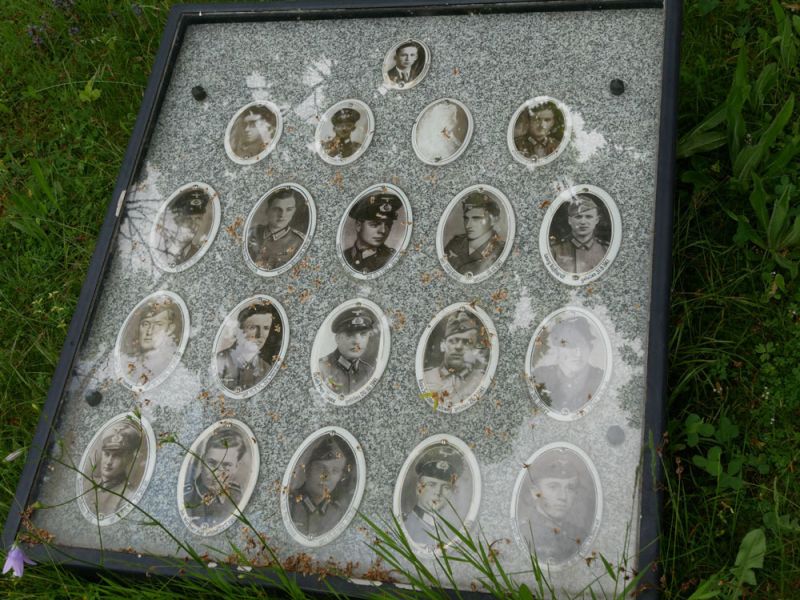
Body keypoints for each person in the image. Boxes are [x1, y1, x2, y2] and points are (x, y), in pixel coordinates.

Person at [519, 456, 584, 563]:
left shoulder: (580, 535)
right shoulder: (524, 532)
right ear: (535, 492)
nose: (563, 496)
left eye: (570, 488)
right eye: (553, 487)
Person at [532, 317, 604, 412]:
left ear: (590, 348)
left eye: (582, 345)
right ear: (557, 349)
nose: (578, 354)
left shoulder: (600, 379)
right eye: (570, 346)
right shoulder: (540, 376)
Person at [289, 436, 353, 537]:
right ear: (308, 469)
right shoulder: (290, 504)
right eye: (321, 467)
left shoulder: (336, 512)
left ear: (341, 477)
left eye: (335, 470)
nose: (326, 476)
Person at [183, 428, 248, 527]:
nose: (216, 472)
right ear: (203, 459)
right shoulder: (188, 497)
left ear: (236, 467)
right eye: (212, 463)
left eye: (226, 465)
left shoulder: (236, 494)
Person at [422, 310, 486, 407]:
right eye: (453, 341)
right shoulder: (426, 378)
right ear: (443, 345)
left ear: (475, 349)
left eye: (467, 342)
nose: (458, 347)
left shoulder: (481, 380)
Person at [403, 447, 462, 547]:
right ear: (419, 488)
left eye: (446, 487)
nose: (438, 493)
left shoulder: (450, 528)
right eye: (432, 485)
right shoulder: (406, 525)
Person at [216, 302, 276, 393]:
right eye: (252, 328)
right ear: (239, 329)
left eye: (266, 328)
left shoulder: (267, 368)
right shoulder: (221, 360)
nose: (259, 335)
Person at [87, 421, 143, 517]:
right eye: (107, 454)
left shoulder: (126, 495)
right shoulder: (89, 484)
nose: (109, 462)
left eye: (117, 456)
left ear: (129, 459)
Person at [443, 192, 505, 277]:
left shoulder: (501, 251)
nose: (468, 225)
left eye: (476, 218)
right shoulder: (455, 244)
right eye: (466, 218)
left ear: (494, 220)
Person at [122, 299, 181, 386]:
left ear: (170, 329)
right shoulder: (128, 364)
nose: (149, 331)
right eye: (145, 324)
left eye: (158, 324)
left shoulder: (165, 364)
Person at [317, 308, 377, 396]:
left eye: (363, 334)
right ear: (337, 338)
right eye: (350, 334)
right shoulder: (321, 368)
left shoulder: (369, 371)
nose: (357, 341)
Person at [342, 193, 403, 274]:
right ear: (358, 226)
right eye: (375, 224)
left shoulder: (391, 258)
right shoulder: (345, 255)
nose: (383, 231)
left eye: (388, 225)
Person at [247, 188, 306, 271]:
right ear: (267, 211)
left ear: (294, 212)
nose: (282, 215)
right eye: (277, 209)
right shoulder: (251, 232)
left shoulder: (299, 241)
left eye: (289, 210)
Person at [549, 194, 608, 273]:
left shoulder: (606, 249)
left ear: (596, 220)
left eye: (588, 217)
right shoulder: (554, 250)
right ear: (569, 220)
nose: (583, 222)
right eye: (578, 217)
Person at [159, 190, 208, 266]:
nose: (192, 225)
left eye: (198, 218)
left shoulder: (200, 254)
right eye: (187, 220)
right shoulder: (162, 255)